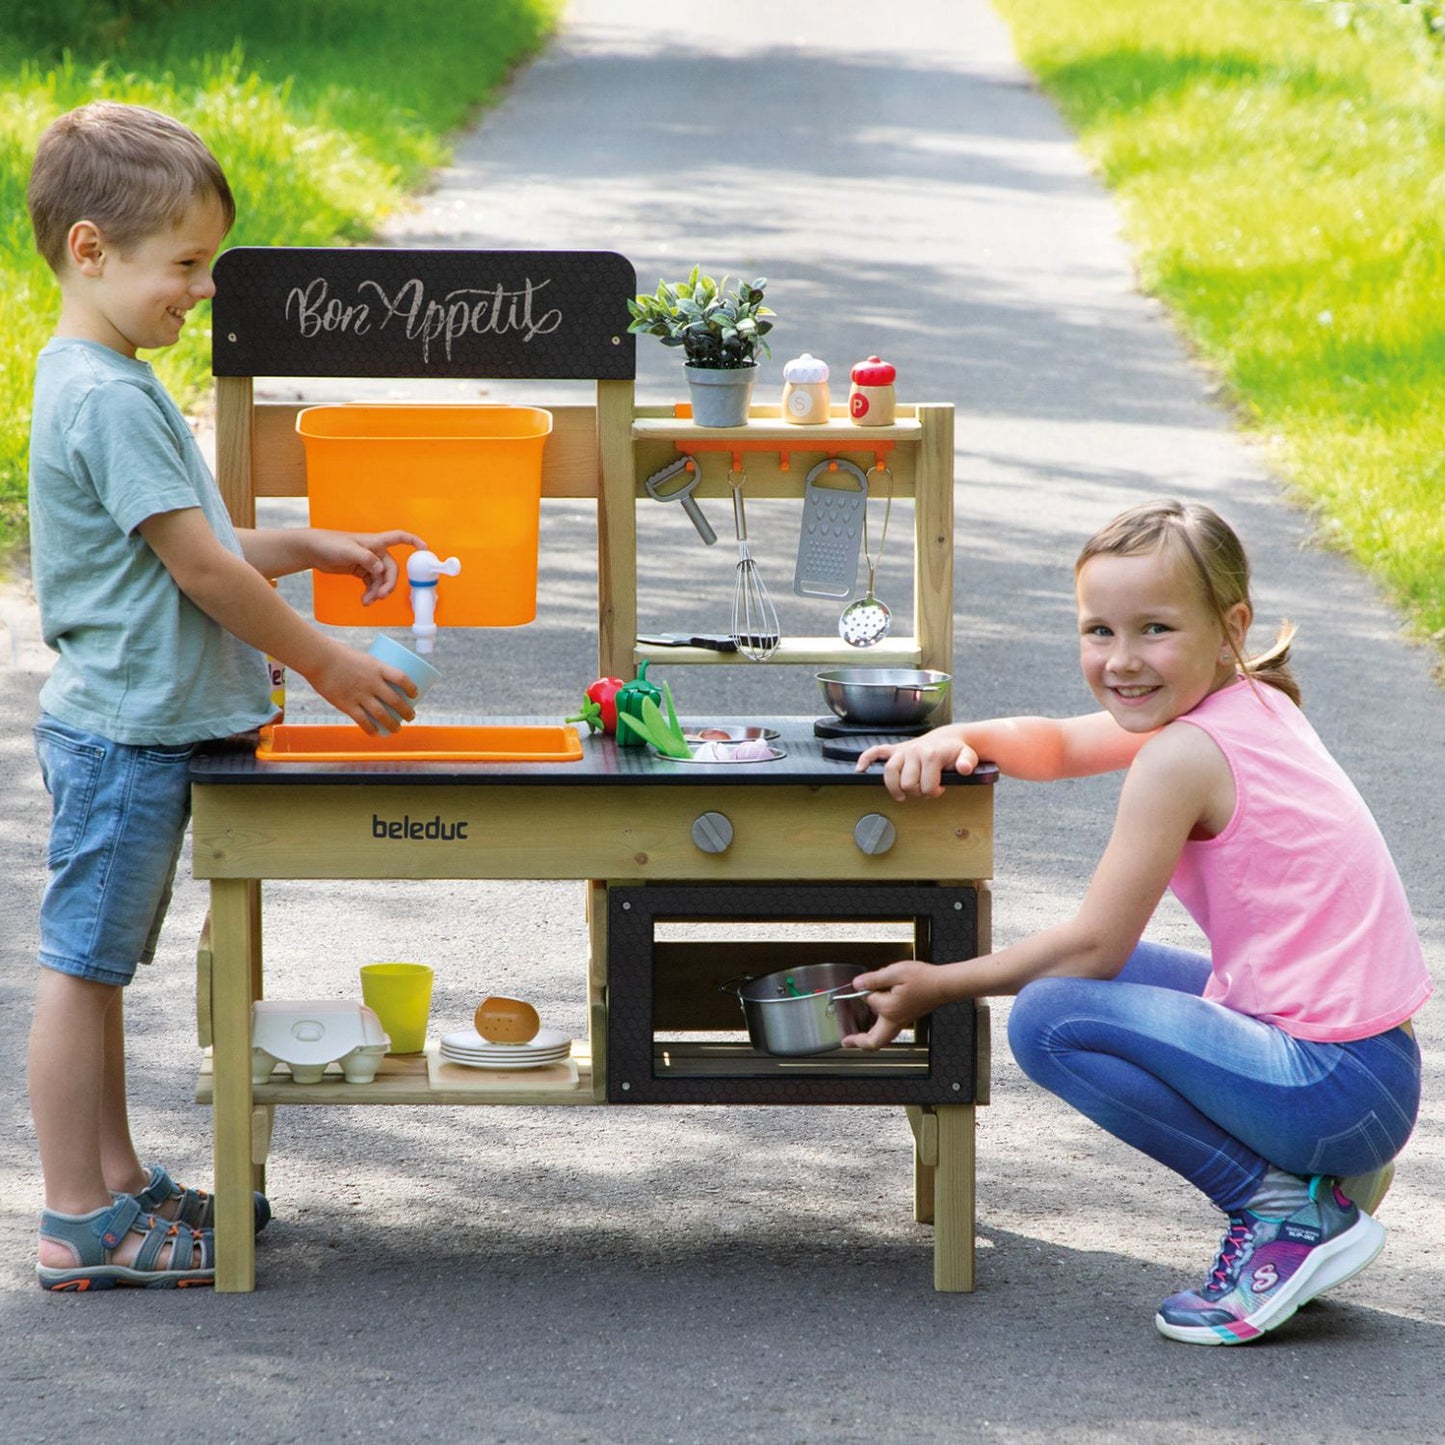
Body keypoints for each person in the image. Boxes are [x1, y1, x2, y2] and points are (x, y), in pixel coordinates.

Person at [847, 499, 1429, 1345]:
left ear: (1229, 624)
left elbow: (1095, 942)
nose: (1121, 661)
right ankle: (1316, 1184)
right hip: (1366, 1071)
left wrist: (942, 985)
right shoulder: (1245, 702)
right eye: (1098, 631)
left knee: (1053, 1014)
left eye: (1153, 628)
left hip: (1333, 1086)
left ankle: (1287, 1215)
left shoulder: (1180, 756)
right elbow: (1055, 743)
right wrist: (957, 734)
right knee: (1088, 989)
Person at [25, 100, 426, 1290]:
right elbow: (196, 568)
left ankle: (118, 1183)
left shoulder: (105, 376)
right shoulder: (106, 392)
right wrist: (328, 661)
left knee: (99, 973)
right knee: (80, 971)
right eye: (184, 267)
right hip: (125, 732)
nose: (198, 293)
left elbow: (194, 540)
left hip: (135, 727)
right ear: (91, 249)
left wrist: (308, 542)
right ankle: (72, 1214)